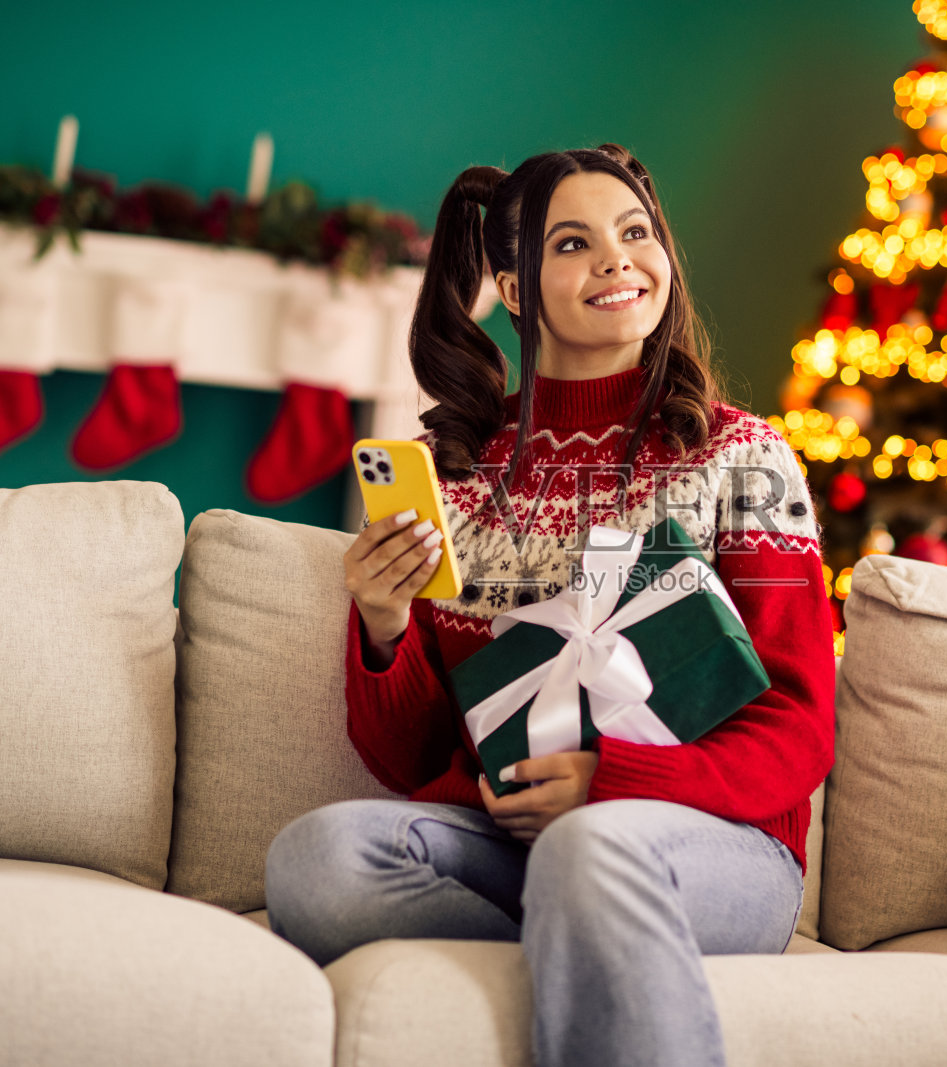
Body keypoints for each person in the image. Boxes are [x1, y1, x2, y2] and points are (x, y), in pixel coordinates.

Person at [264, 144, 835, 1067]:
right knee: (316, 859)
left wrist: (606, 787)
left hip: (714, 847)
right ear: (514, 289)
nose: (617, 259)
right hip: (510, 838)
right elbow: (413, 760)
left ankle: (594, 907)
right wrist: (383, 628)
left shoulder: (744, 458)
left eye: (636, 233)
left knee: (593, 853)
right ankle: (589, 937)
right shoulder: (457, 477)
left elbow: (800, 727)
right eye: (573, 243)